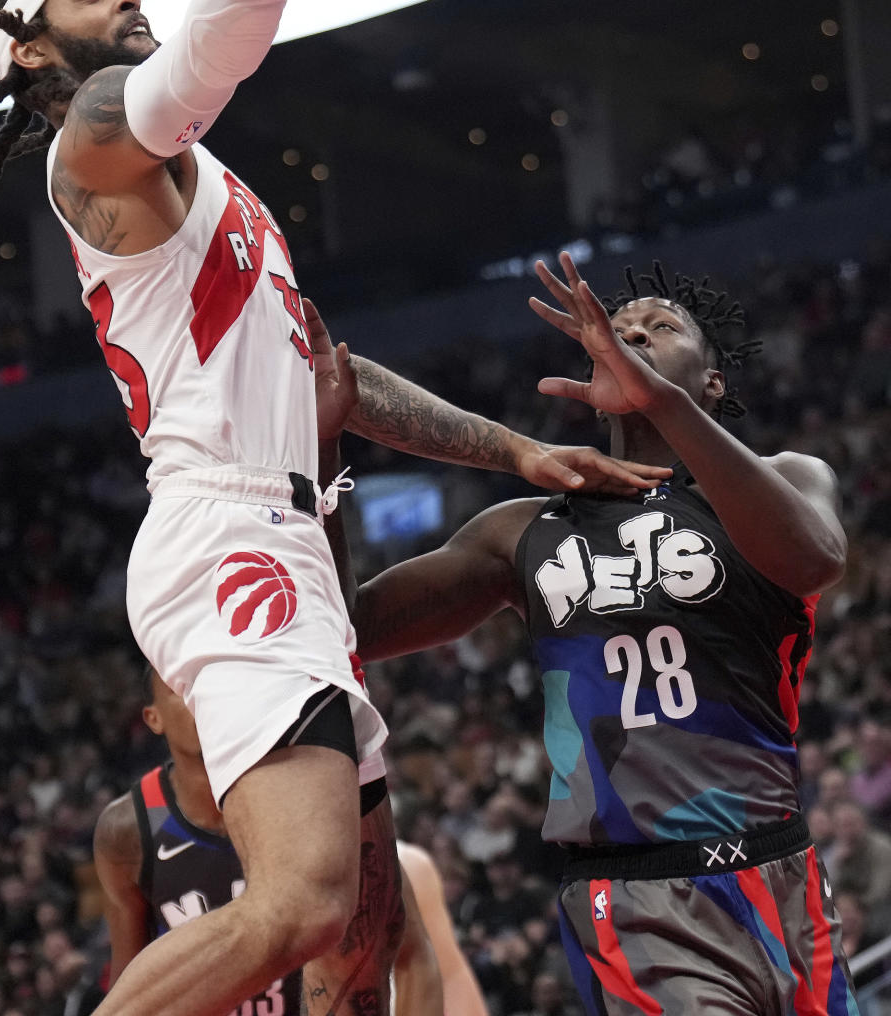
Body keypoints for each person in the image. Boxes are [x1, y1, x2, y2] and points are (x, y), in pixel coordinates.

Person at [0, 0, 666, 1016]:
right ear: (25, 52)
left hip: (292, 541)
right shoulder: (95, 143)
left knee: (363, 944)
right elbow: (204, 66)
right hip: (230, 535)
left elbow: (338, 378)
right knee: (301, 905)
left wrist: (515, 454)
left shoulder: (210, 187)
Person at [349, 254, 860, 1015]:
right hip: (636, 897)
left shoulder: (790, 475)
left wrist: (664, 405)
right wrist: (316, 476)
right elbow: (350, 630)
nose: (633, 338)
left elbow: (813, 561)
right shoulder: (523, 528)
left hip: (781, 869)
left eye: (660, 328)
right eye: (617, 333)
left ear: (714, 382)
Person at [94, 668, 443, 1016]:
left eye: (207, 683)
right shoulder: (128, 829)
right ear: (153, 718)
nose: (198, 698)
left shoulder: (314, 794)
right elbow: (127, 980)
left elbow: (411, 956)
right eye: (180, 688)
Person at [395, 841, 489, 1016]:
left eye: (455, 881)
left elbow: (472, 944)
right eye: (446, 880)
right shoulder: (425, 901)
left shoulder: (473, 904)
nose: (450, 886)